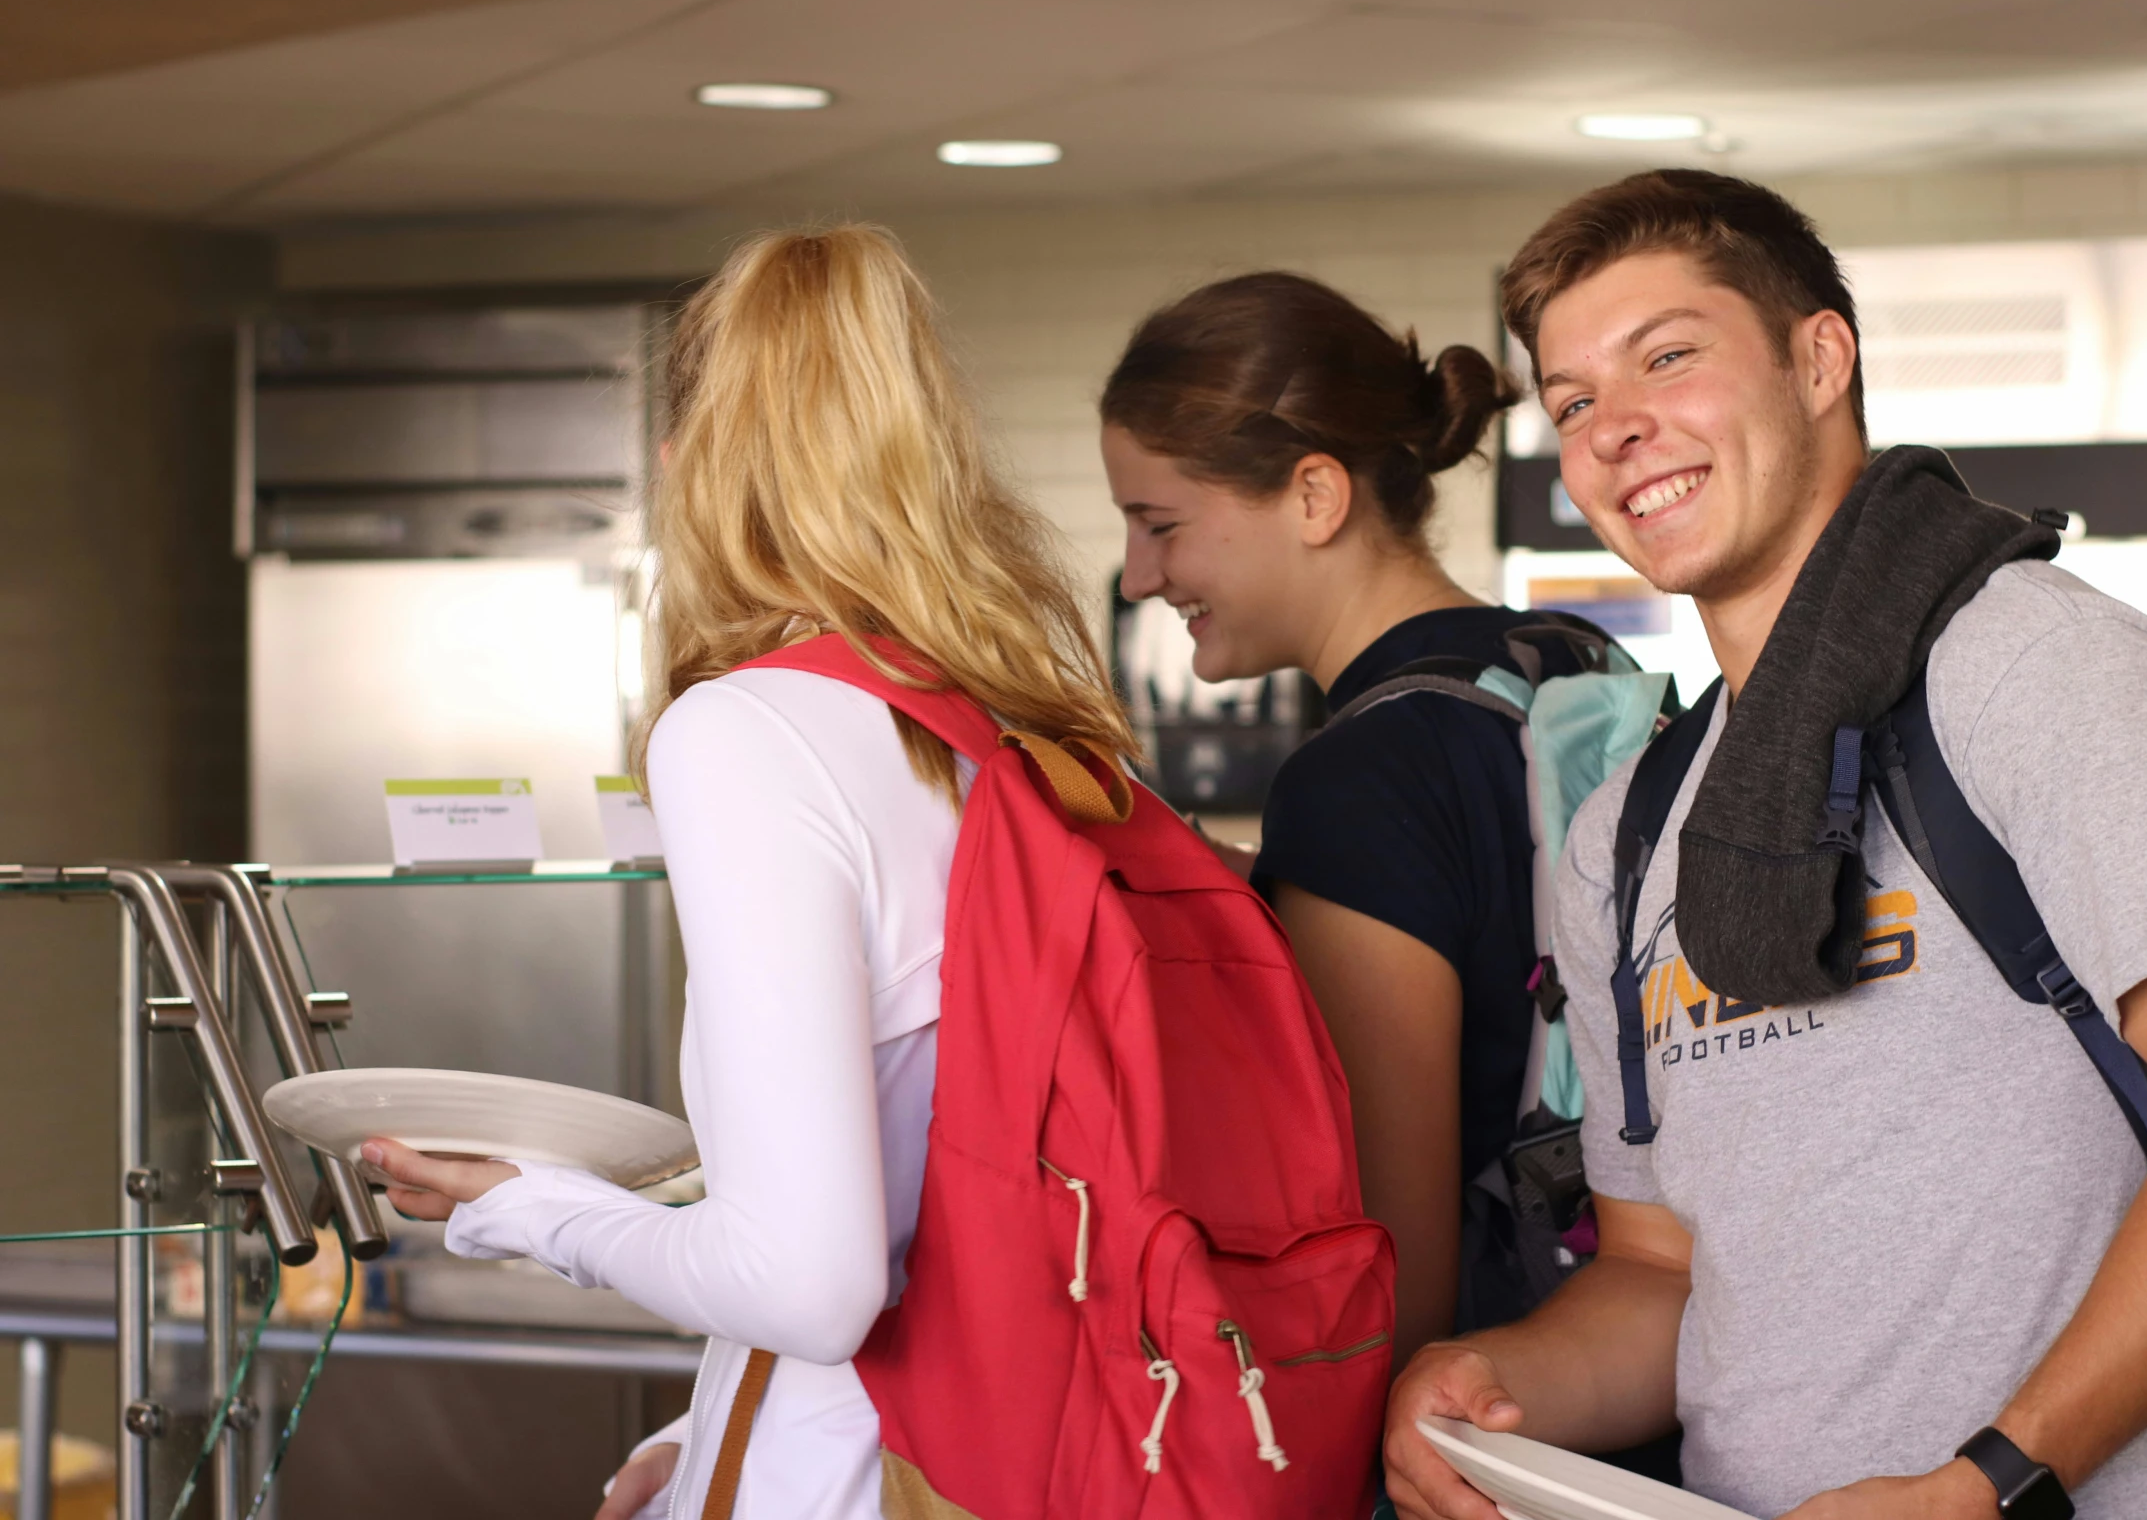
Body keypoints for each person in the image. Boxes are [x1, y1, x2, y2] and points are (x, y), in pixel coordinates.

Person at [1382, 169, 2147, 1520]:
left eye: (1667, 356)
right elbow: (1663, 1271)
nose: (1615, 431)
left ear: (1818, 355)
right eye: (1573, 401)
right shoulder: (1628, 829)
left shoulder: (2034, 666)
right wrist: (1491, 1381)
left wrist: (1988, 1477)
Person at [364, 224, 1137, 1520]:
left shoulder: (749, 732)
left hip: (869, 1476)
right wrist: (717, 1411)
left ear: (690, 467)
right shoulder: (1027, 727)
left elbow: (814, 1283)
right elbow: (944, 1213)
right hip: (1033, 1442)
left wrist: (528, 1206)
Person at [1101, 271, 1589, 1372]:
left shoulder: (1358, 776)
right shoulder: (1567, 663)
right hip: (1638, 1353)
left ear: (1317, 496)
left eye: (1161, 524)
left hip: (1479, 1410)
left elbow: (1382, 1270)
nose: (1139, 577)